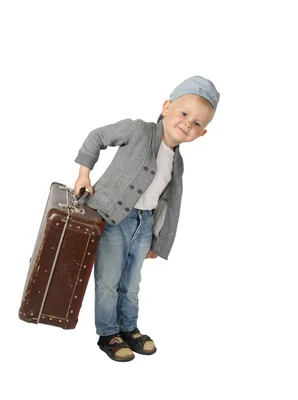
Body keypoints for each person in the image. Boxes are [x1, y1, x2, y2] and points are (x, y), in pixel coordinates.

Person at [73, 76, 220, 362]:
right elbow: (97, 137)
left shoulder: (178, 162)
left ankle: (129, 328)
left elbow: (168, 203)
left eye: (198, 124)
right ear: (166, 107)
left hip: (144, 225)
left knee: (132, 282)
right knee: (109, 281)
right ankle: (108, 334)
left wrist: (157, 240)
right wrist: (83, 175)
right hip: (113, 220)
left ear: (201, 135)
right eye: (184, 113)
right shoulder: (138, 129)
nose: (188, 124)